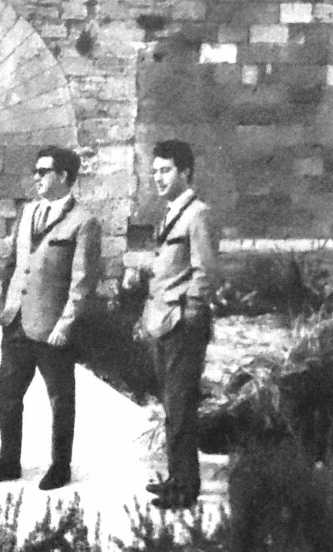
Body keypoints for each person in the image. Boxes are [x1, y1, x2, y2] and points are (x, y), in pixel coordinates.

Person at [0, 146, 101, 490]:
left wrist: (65, 324)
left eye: (43, 171)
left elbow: (83, 281)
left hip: (52, 327)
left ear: (63, 176)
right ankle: (8, 461)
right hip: (16, 321)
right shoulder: (28, 212)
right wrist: (5, 304)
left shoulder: (84, 222)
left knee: (60, 398)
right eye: (35, 171)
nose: (36, 177)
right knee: (7, 393)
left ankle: (60, 465)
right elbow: (13, 263)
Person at [139, 140, 219, 509]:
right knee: (173, 406)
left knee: (182, 406)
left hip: (182, 325)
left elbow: (205, 272)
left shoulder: (197, 214)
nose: (158, 177)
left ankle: (185, 489)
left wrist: (189, 316)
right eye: (154, 171)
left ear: (185, 172)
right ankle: (176, 476)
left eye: (165, 170)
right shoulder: (172, 211)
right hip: (163, 321)